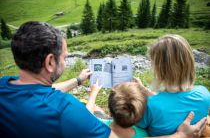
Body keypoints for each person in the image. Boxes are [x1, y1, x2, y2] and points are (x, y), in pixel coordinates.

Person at [0, 21, 206, 138]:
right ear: (50, 62)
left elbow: (43, 91)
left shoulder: (4, 85)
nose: (65, 60)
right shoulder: (66, 110)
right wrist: (180, 136)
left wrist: (78, 81)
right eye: (65, 56)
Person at [136, 34, 210, 136]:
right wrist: (144, 90)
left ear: (159, 69)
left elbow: (135, 126)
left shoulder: (150, 105)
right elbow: (173, 101)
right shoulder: (204, 93)